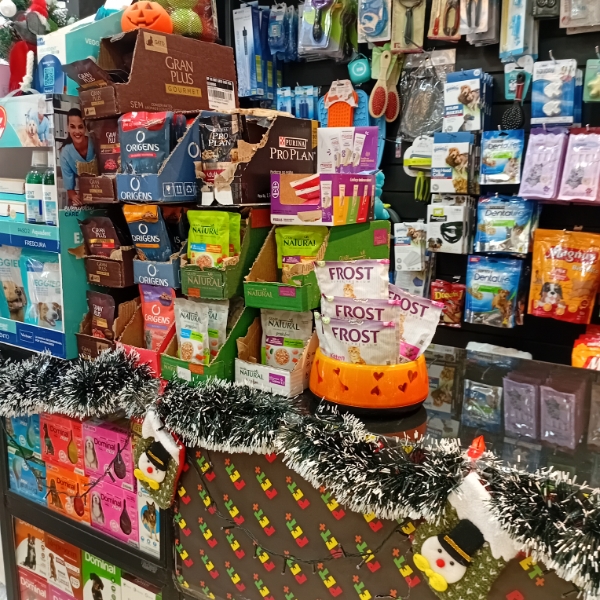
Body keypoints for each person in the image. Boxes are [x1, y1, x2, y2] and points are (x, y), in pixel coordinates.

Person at [59, 108, 95, 206]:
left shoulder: (95, 143)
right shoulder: (65, 154)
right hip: (86, 196)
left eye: (80, 127)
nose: (77, 131)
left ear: (85, 128)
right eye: (72, 127)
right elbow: (70, 190)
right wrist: (75, 197)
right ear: (68, 128)